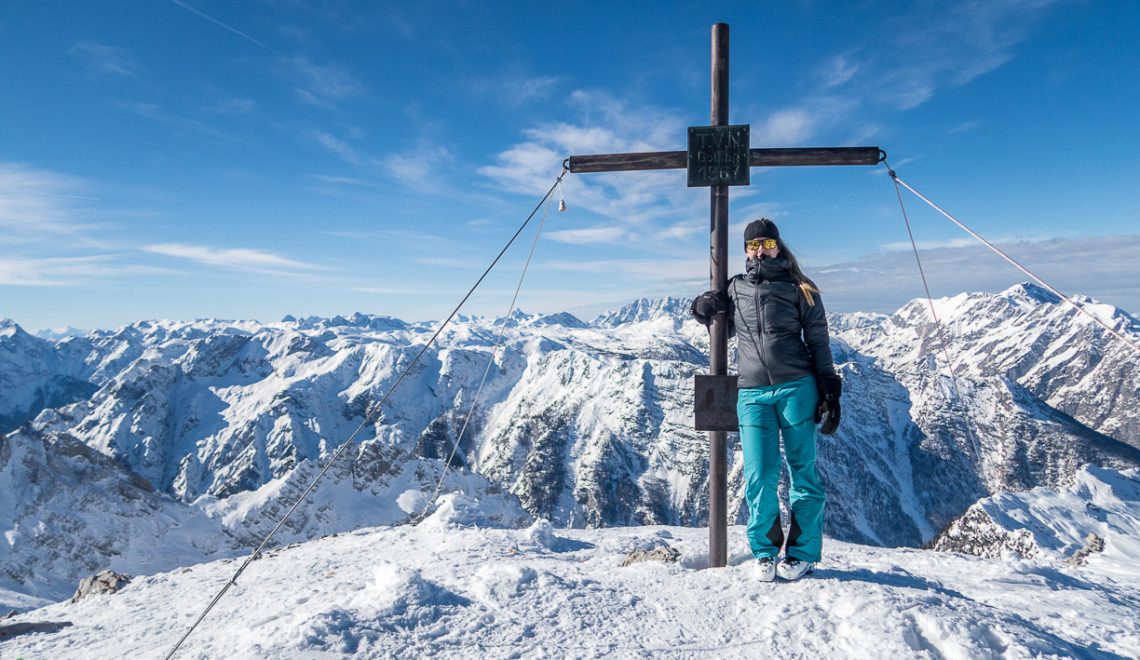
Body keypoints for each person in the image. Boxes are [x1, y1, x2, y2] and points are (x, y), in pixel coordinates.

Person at [690, 218, 842, 581]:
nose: (761, 250)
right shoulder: (734, 288)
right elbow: (715, 323)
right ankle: (765, 550)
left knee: (803, 472)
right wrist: (701, 306)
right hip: (752, 392)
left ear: (778, 246)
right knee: (759, 474)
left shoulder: (801, 288)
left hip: (797, 388)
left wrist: (830, 390)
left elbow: (819, 341)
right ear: (746, 251)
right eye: (753, 245)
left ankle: (802, 553)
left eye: (767, 244)